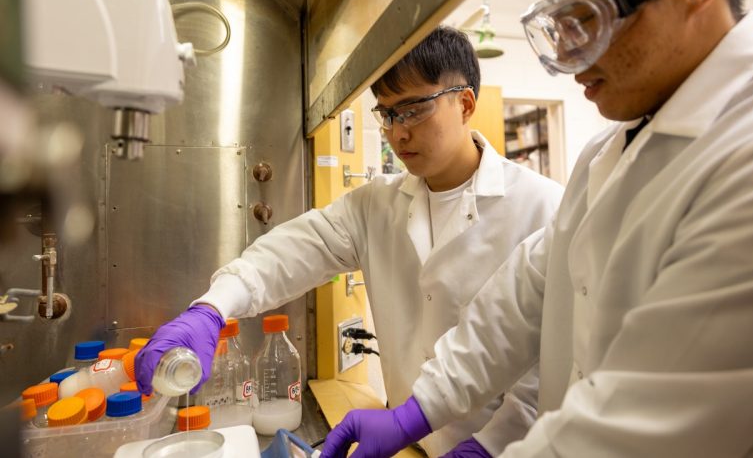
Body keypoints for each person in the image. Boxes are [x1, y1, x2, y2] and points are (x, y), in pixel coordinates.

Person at [320, 0, 753, 457]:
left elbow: (634, 426)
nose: (569, 59)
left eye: (586, 20)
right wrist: (419, 409)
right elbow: (526, 294)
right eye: (558, 28)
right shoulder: (611, 148)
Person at [134, 26, 564, 456]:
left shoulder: (542, 205)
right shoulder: (376, 204)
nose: (398, 133)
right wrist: (212, 308)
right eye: (388, 114)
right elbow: (292, 250)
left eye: (413, 110)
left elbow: (552, 365)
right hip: (407, 445)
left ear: (465, 103)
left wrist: (490, 446)